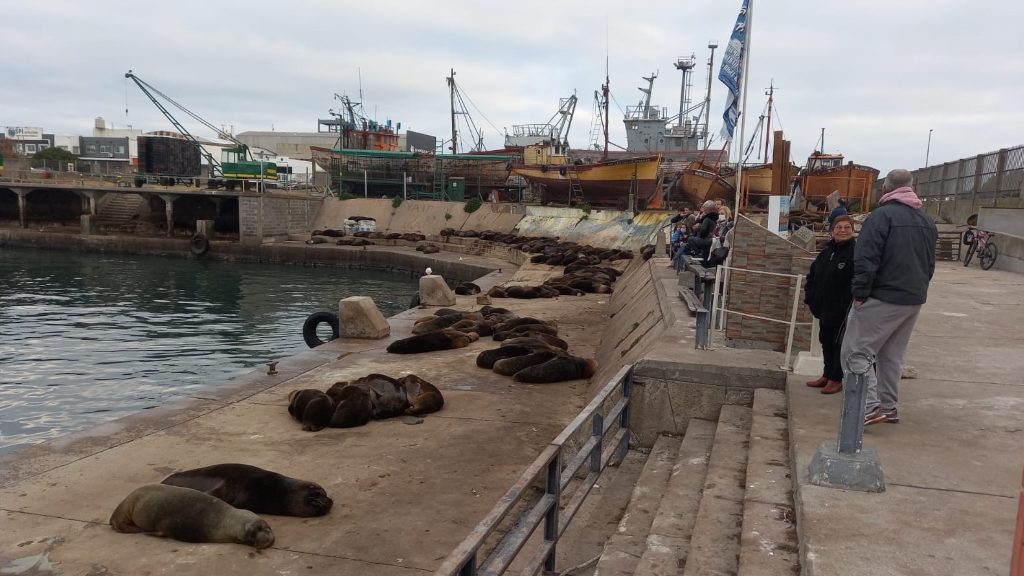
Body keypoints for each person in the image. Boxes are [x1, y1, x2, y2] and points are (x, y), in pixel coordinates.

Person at [840, 169, 938, 426]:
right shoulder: (926, 221)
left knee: (855, 352)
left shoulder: (880, 217)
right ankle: (888, 407)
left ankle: (869, 406)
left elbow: (865, 257)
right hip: (913, 297)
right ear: (911, 188)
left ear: (885, 190)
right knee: (892, 355)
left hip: (883, 295)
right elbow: (929, 264)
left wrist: (860, 293)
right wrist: (919, 288)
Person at [804, 215, 856, 394]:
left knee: (839, 343)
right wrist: (810, 297)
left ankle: (836, 378)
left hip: (842, 310)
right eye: (839, 227)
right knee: (825, 341)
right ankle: (826, 374)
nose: (842, 230)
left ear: (853, 230)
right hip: (823, 308)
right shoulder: (827, 252)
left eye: (847, 227)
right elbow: (812, 274)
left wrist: (845, 303)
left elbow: (854, 282)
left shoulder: (855, 252)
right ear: (832, 230)